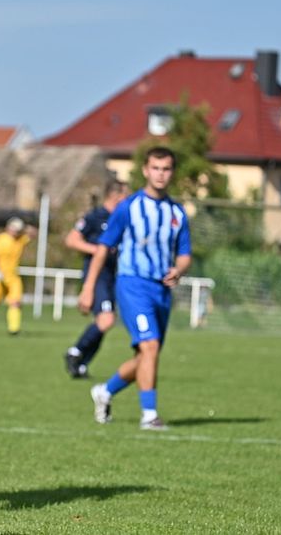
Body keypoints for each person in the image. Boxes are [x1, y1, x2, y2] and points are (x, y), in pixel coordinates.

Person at [81, 146, 191, 431]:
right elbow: (103, 248)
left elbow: (184, 253)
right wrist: (89, 287)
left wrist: (178, 270)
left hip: (161, 291)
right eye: (155, 168)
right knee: (150, 346)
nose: (160, 174)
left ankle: (105, 391)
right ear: (145, 170)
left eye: (166, 169)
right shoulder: (128, 207)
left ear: (172, 172)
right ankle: (149, 415)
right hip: (132, 285)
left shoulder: (177, 212)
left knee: (146, 355)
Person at [63, 180, 129, 378]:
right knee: (106, 319)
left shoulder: (121, 218)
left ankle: (82, 364)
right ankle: (76, 351)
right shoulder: (95, 216)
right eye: (126, 195)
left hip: (112, 275)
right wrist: (98, 250)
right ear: (116, 195)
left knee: (105, 320)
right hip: (97, 273)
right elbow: (71, 240)